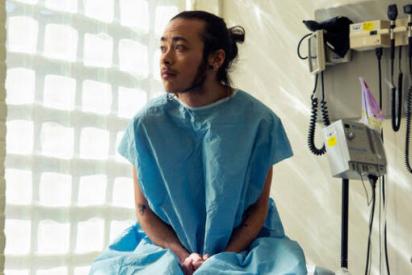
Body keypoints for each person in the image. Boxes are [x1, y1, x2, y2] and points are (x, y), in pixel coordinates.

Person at [90, 10, 307, 275]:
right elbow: (143, 209)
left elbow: (257, 210)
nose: (165, 59)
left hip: (244, 245)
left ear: (216, 59)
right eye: (162, 47)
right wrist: (183, 256)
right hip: (165, 245)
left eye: (179, 48)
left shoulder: (258, 122)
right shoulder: (146, 123)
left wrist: (220, 259)